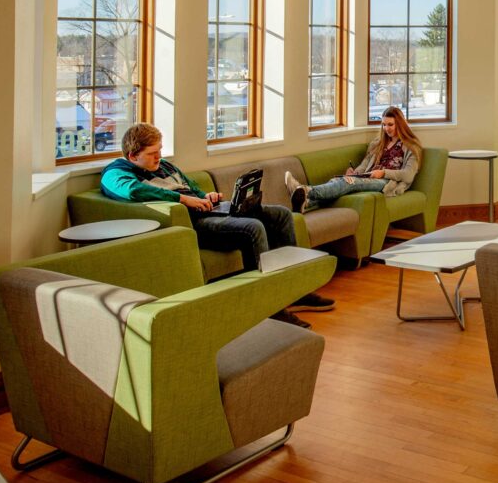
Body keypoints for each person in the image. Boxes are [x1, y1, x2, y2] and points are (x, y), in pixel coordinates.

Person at [100, 123, 334, 326]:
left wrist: (206, 196)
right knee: (253, 227)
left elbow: (191, 186)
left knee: (281, 215)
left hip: (208, 210)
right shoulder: (117, 173)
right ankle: (268, 306)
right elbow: (131, 190)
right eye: (152, 153)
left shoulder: (166, 166)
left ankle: (293, 290)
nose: (159, 157)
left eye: (160, 150)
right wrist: (183, 199)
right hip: (194, 223)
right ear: (132, 156)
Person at [286, 106, 422, 213]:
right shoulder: (378, 143)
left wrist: (384, 173)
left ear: (400, 124)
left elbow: (408, 175)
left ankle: (305, 190)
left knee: (349, 183)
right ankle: (308, 203)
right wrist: (356, 173)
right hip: (369, 177)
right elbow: (365, 163)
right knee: (341, 180)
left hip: (387, 183)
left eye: (390, 125)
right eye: (384, 124)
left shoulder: (411, 146)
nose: (386, 128)